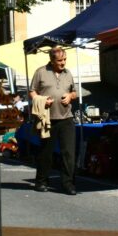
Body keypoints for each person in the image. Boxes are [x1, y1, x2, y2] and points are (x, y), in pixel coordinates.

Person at [29, 47, 78, 195]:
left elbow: (74, 92)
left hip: (66, 118)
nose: (63, 63)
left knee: (69, 153)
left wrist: (70, 96)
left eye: (64, 60)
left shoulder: (68, 73)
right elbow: (32, 91)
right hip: (48, 119)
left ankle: (68, 184)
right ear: (51, 60)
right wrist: (41, 100)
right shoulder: (41, 72)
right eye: (59, 61)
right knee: (46, 153)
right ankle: (41, 181)